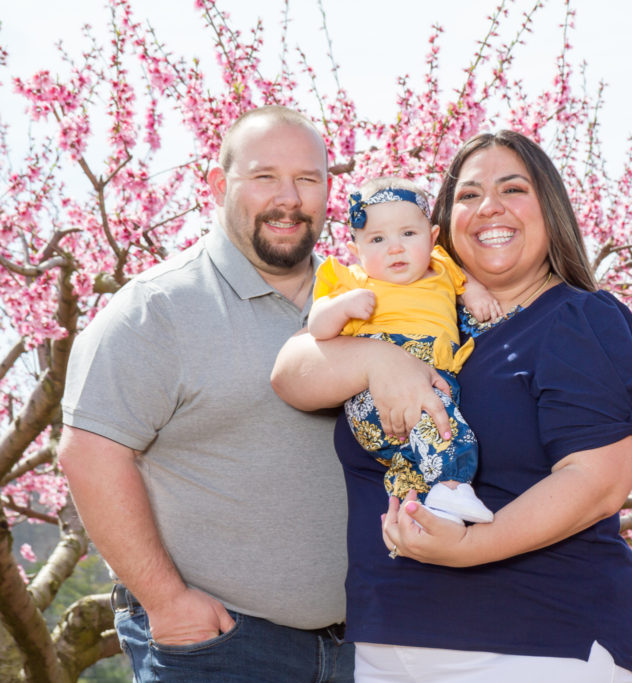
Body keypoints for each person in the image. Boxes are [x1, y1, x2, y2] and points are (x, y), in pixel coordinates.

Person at [273, 130, 632, 682]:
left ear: (552, 209)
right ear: (445, 226)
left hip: (532, 641)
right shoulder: (407, 318)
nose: (489, 208)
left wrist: (473, 546)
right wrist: (381, 361)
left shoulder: (578, 319)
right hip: (387, 640)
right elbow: (290, 374)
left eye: (513, 189)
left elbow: (599, 481)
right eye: (469, 195)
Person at [55, 105, 420, 682]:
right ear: (218, 185)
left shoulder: (365, 302)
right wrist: (166, 600)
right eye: (265, 176)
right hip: (222, 649)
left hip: (365, 648)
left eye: (307, 179)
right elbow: (89, 454)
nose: (289, 197)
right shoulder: (156, 308)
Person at [309, 176, 499, 524]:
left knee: (419, 448)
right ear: (357, 251)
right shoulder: (354, 281)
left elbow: (463, 281)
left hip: (437, 377)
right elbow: (316, 328)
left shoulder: (443, 267)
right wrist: (342, 307)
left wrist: (474, 292)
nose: (395, 248)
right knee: (447, 429)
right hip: (376, 395)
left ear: (433, 238)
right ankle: (452, 488)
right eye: (377, 239)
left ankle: (418, 508)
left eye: (408, 234)